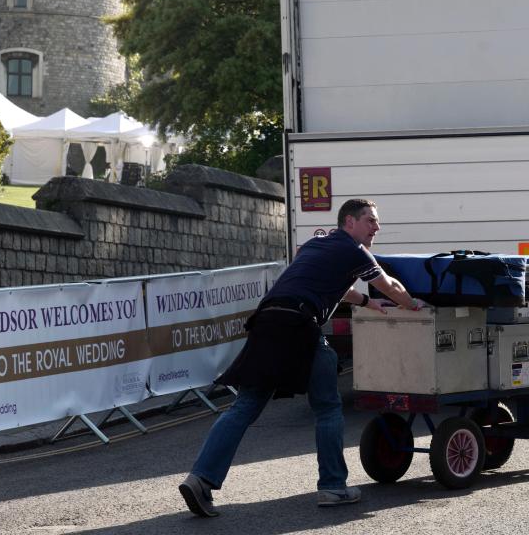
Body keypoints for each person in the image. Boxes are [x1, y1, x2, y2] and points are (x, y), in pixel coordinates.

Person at [178, 199, 422, 517]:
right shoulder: (354, 250)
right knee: (328, 406)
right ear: (349, 222)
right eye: (370, 220)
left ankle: (200, 479)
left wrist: (364, 301)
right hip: (298, 325)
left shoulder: (315, 246)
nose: (377, 227)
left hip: (267, 319)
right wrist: (412, 304)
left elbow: (330, 284)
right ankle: (333, 487)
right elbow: (388, 286)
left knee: (246, 405)